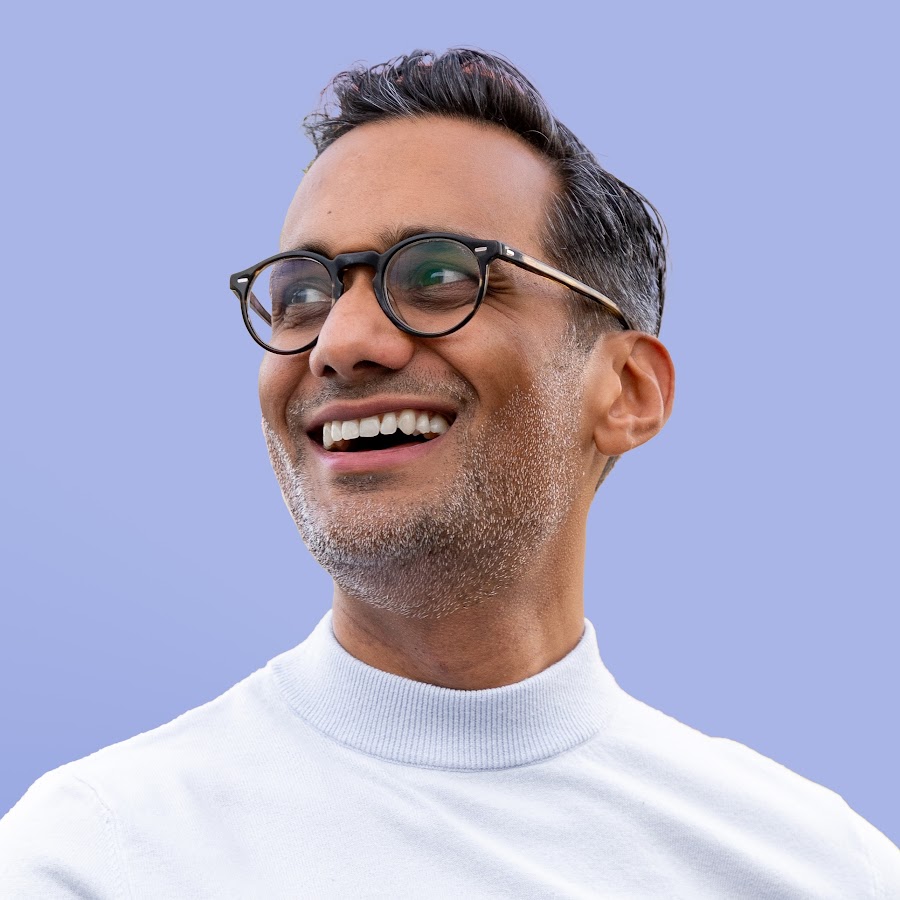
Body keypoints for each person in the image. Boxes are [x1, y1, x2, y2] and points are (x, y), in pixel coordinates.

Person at [1, 48, 897, 898]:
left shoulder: (815, 869)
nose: (340, 343)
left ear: (627, 390)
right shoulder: (100, 855)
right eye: (301, 295)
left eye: (438, 275)